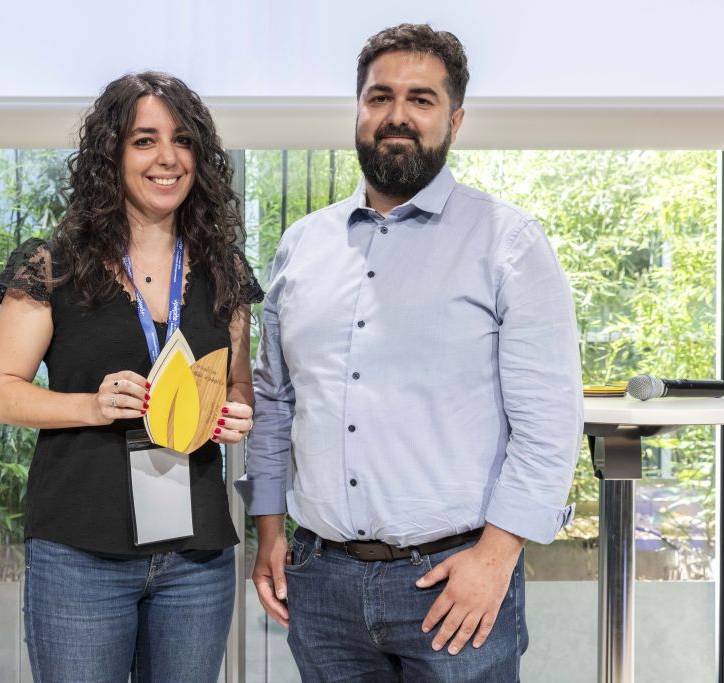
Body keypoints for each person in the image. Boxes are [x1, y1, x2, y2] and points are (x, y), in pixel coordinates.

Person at [236, 24, 583, 682]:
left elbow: (549, 420)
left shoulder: (508, 243)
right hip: (321, 581)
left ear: (454, 119)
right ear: (358, 110)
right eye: (379, 96)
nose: (396, 114)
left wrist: (498, 555)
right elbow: (277, 403)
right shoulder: (301, 246)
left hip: (456, 582)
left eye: (421, 99)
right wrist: (269, 530)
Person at [0, 71, 263, 683]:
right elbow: (0, 394)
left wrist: (236, 411)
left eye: (183, 140)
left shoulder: (225, 270)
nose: (167, 158)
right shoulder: (50, 264)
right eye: (144, 140)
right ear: (110, 155)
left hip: (197, 554)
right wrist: (93, 405)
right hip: (82, 554)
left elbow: (237, 383)